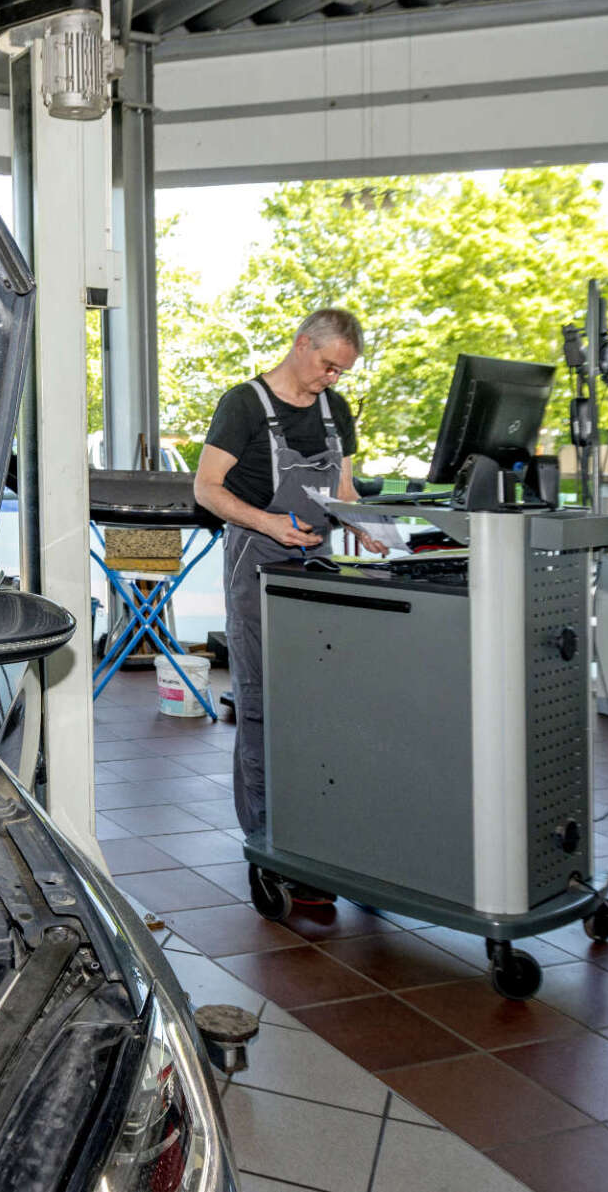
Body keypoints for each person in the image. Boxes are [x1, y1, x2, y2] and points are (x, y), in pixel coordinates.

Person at [193, 308, 387, 865]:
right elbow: (207, 490)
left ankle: (315, 823)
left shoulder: (336, 411)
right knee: (260, 699)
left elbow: (343, 490)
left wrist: (367, 528)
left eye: (342, 372)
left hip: (315, 562)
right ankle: (264, 836)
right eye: (328, 366)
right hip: (257, 557)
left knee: (317, 698)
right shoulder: (244, 405)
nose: (333, 379)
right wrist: (267, 521)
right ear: (302, 344)